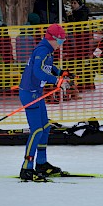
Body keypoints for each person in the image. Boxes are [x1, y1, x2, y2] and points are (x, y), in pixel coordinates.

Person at [19, 23, 71, 181]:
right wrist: (56, 81)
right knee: (36, 130)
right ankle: (26, 168)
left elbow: (46, 67)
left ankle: (41, 163)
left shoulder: (47, 50)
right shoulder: (42, 50)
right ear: (52, 39)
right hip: (30, 94)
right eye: (60, 41)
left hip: (37, 93)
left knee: (45, 127)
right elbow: (37, 71)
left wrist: (59, 72)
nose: (61, 45)